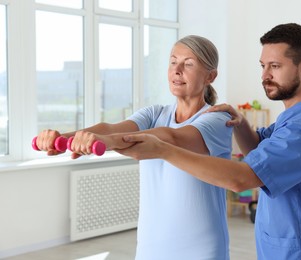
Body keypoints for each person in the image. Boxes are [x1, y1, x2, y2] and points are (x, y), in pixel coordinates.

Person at [117, 23, 301, 259]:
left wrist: (164, 151)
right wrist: (241, 123)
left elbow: (241, 178)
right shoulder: (297, 115)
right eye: (263, 66)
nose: (265, 75)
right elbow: (260, 151)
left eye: (275, 66)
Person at [34, 35, 233, 260]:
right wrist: (63, 138)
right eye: (173, 61)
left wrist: (108, 142)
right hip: (151, 245)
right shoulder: (155, 113)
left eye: (188, 64)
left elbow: (171, 138)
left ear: (210, 76)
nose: (177, 70)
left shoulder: (218, 118)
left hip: (200, 248)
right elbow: (110, 128)